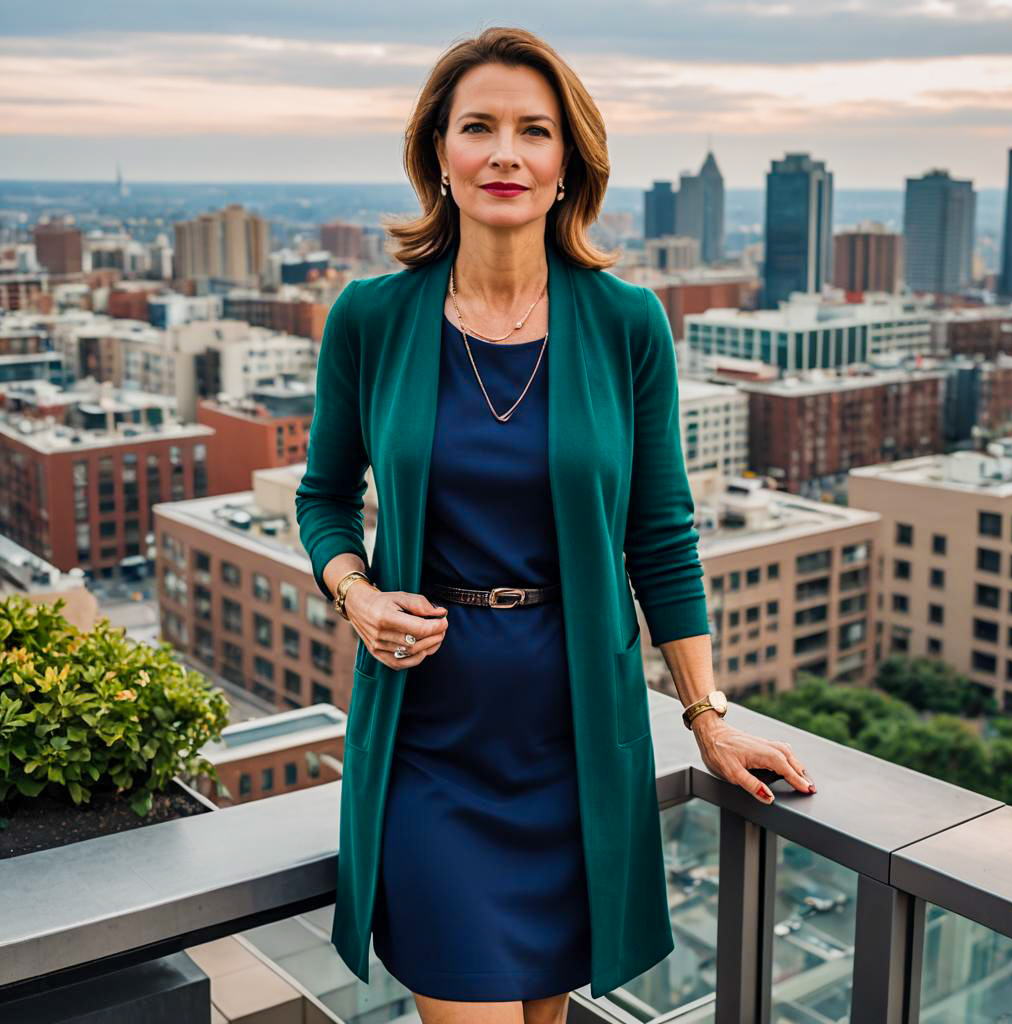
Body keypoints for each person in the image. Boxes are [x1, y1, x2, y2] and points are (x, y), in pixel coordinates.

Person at [295, 25, 816, 1024]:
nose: (505, 152)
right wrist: (354, 591)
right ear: (437, 154)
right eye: (477, 127)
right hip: (429, 743)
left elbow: (659, 535)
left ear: (567, 161)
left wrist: (707, 718)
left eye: (533, 131)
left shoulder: (626, 322)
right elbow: (322, 498)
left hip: (575, 739)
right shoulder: (369, 315)